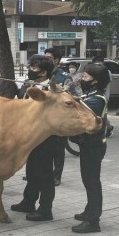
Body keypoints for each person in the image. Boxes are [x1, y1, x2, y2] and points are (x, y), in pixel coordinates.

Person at [10, 56, 58, 222]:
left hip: (45, 138)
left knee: (45, 174)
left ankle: (45, 209)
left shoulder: (52, 90)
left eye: (33, 68)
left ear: (43, 72)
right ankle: (28, 201)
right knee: (31, 171)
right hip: (29, 136)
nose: (30, 70)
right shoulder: (27, 85)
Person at [73, 63, 110, 233]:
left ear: (95, 81)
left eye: (86, 77)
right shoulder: (92, 95)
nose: (83, 79)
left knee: (92, 182)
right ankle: (89, 211)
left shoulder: (96, 99)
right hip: (89, 145)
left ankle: (93, 221)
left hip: (94, 146)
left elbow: (79, 117)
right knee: (88, 180)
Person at [44, 48, 72, 186]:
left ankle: (56, 175)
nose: (45, 60)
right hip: (43, 118)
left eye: (48, 58)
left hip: (59, 119)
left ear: (56, 60)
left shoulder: (64, 77)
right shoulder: (43, 74)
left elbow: (70, 97)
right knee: (43, 147)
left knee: (58, 149)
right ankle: (42, 172)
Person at [91, 56, 114, 137]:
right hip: (95, 95)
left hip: (104, 96)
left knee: (102, 114)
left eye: (100, 64)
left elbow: (105, 83)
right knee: (100, 114)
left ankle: (106, 129)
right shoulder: (93, 71)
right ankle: (108, 127)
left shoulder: (107, 72)